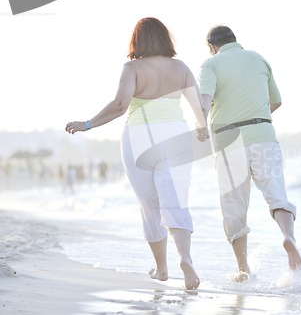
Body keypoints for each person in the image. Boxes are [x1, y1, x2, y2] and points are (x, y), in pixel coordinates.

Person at [65, 17, 208, 290]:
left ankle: (162, 268)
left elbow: (120, 105)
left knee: (149, 205)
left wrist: (86, 124)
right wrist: (202, 128)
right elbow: (197, 105)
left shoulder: (132, 68)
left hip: (139, 136)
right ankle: (185, 259)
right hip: (176, 136)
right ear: (166, 39)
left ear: (137, 40)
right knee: (175, 200)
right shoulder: (181, 68)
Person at [198, 25, 301, 281]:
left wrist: (201, 125)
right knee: (277, 195)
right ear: (235, 40)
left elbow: (204, 101)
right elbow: (276, 101)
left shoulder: (211, 64)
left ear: (212, 46)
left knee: (234, 209)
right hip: (264, 136)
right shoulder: (259, 59)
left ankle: (243, 269)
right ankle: (288, 237)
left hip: (228, 141)